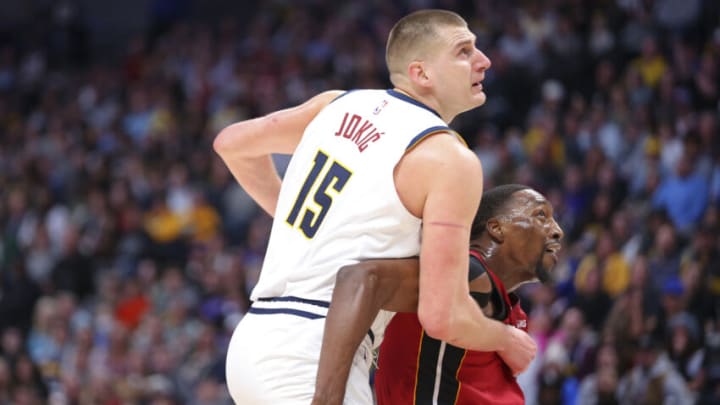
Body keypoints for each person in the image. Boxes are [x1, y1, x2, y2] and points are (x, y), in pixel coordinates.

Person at [214, 9, 536, 405]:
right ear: (422, 73)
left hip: (252, 342)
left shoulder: (335, 105)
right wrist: (506, 339)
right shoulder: (448, 158)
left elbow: (231, 143)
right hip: (315, 353)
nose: (483, 59)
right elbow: (443, 316)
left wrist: (292, 217)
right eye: (463, 51)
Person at [313, 184, 563, 404]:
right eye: (541, 215)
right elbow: (361, 279)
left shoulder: (509, 308)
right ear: (496, 228)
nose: (557, 231)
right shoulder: (461, 274)